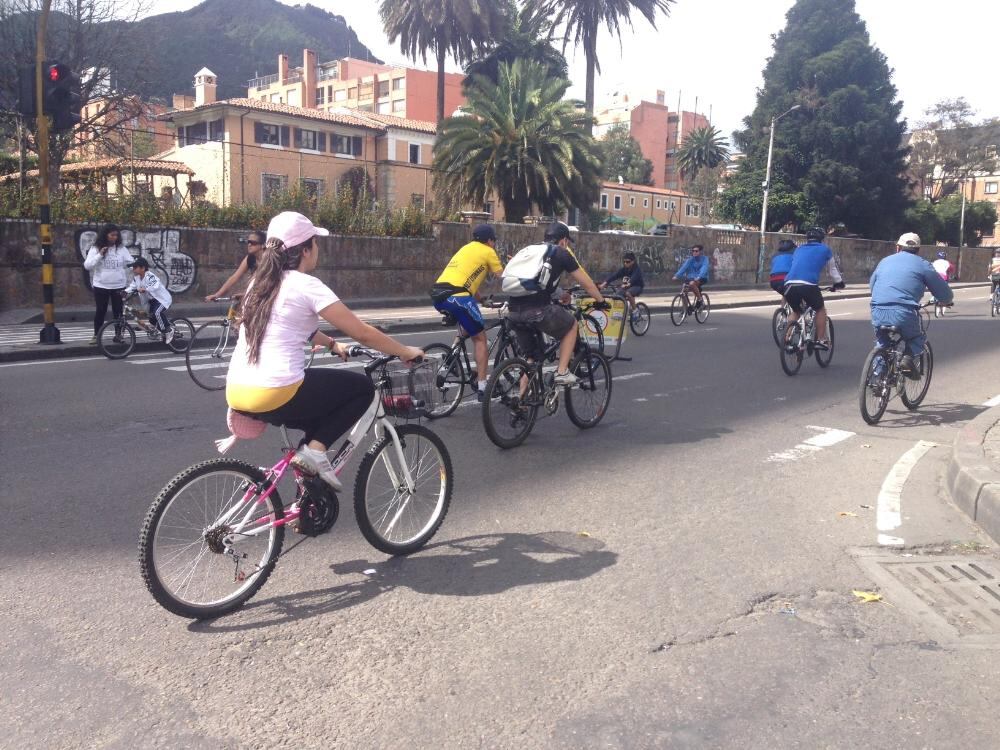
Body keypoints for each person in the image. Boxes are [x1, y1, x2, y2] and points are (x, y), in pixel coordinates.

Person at [226, 211, 423, 491]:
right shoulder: (306, 285)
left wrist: (332, 344)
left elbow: (293, 326)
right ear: (305, 250)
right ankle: (316, 453)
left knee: (319, 420)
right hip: (275, 390)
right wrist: (404, 351)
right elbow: (362, 333)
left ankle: (308, 493)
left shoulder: (258, 284)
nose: (317, 248)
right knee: (362, 390)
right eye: (315, 242)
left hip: (237, 391)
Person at [506, 222, 606, 387]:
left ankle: (522, 399)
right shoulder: (561, 253)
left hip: (513, 311)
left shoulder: (530, 250)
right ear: (564, 240)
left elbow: (538, 283)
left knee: (531, 360)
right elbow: (587, 283)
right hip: (538, 310)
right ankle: (562, 371)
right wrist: (601, 301)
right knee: (572, 325)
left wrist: (562, 295)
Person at [430, 224, 503, 401]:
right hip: (459, 298)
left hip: (439, 296)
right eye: (493, 241)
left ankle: (451, 358)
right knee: (480, 339)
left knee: (467, 324)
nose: (494, 244)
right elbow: (503, 276)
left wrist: (482, 300)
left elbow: (466, 283)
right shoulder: (488, 251)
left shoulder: (465, 249)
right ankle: (483, 387)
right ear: (489, 240)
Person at [870, 232, 953, 376]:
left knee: (882, 341)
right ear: (918, 250)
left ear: (898, 247)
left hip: (878, 310)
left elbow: (872, 284)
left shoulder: (884, 261)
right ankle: (907, 360)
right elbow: (944, 293)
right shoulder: (923, 265)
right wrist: (946, 300)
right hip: (904, 312)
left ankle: (878, 376)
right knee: (916, 338)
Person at [782, 227, 845, 350]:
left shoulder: (798, 249)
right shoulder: (825, 249)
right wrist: (839, 283)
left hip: (789, 284)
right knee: (820, 309)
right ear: (821, 238)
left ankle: (787, 339)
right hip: (808, 284)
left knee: (796, 311)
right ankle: (821, 340)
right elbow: (832, 270)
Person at [83, 223, 133, 345]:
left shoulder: (121, 249)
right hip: (101, 286)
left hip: (118, 285)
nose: (115, 237)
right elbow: (87, 266)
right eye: (112, 235)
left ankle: (118, 335)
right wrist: (100, 255)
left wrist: (135, 267)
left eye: (116, 235)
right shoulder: (96, 248)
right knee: (101, 311)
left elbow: (130, 262)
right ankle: (96, 335)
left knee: (118, 312)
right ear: (105, 235)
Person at [124, 258, 175, 343]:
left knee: (157, 313)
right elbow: (132, 287)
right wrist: (124, 292)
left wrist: (145, 289)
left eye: (135, 267)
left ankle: (168, 331)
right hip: (152, 301)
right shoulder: (137, 278)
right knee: (152, 319)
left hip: (162, 300)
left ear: (143, 268)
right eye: (133, 267)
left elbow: (155, 285)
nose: (133, 269)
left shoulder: (150, 276)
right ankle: (161, 331)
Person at [205, 230, 265, 301]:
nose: (249, 245)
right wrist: (217, 295)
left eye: (253, 243)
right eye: (248, 242)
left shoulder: (269, 259)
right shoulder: (250, 258)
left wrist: (248, 294)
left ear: (262, 245)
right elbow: (235, 277)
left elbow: (268, 282)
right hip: (257, 294)